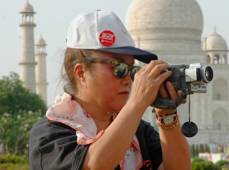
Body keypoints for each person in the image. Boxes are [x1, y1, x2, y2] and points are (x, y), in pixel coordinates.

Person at [29, 10, 191, 169]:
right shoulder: (51, 133)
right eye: (119, 68)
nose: (128, 80)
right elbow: (93, 165)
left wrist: (167, 115)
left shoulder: (139, 131)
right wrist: (137, 102)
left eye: (131, 70)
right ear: (82, 73)